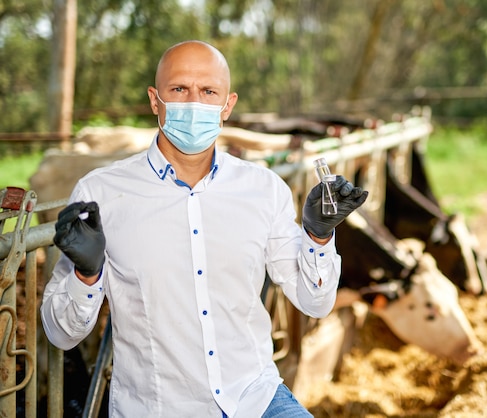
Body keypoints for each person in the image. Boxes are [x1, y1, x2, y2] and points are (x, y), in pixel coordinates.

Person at [40, 40, 368, 417]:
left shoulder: (263, 189)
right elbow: (61, 334)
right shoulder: (101, 193)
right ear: (154, 100)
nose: (193, 103)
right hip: (158, 409)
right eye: (179, 89)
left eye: (208, 91)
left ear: (227, 105)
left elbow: (316, 302)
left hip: (255, 397)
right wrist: (85, 274)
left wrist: (318, 237)